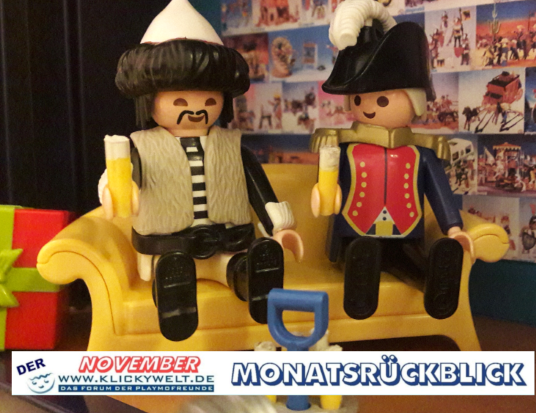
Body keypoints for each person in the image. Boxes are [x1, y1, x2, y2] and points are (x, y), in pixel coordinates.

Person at [99, 0, 302, 341]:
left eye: (209, 101)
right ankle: (174, 293)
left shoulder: (233, 146)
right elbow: (119, 180)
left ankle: (250, 278)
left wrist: (279, 228)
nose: (196, 111)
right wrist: (115, 190)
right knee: (173, 268)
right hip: (168, 247)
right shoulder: (140, 147)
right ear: (149, 99)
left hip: (228, 241)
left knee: (235, 265)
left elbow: (259, 191)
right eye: (180, 102)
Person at [309, 0, 474, 321]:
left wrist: (453, 228)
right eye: (359, 99)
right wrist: (326, 192)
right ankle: (361, 289)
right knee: (361, 255)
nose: (369, 107)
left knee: (411, 262)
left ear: (414, 101)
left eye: (382, 99)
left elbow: (438, 191)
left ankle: (436, 284)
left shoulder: (420, 153)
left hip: (405, 232)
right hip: (355, 233)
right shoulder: (344, 148)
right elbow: (330, 184)